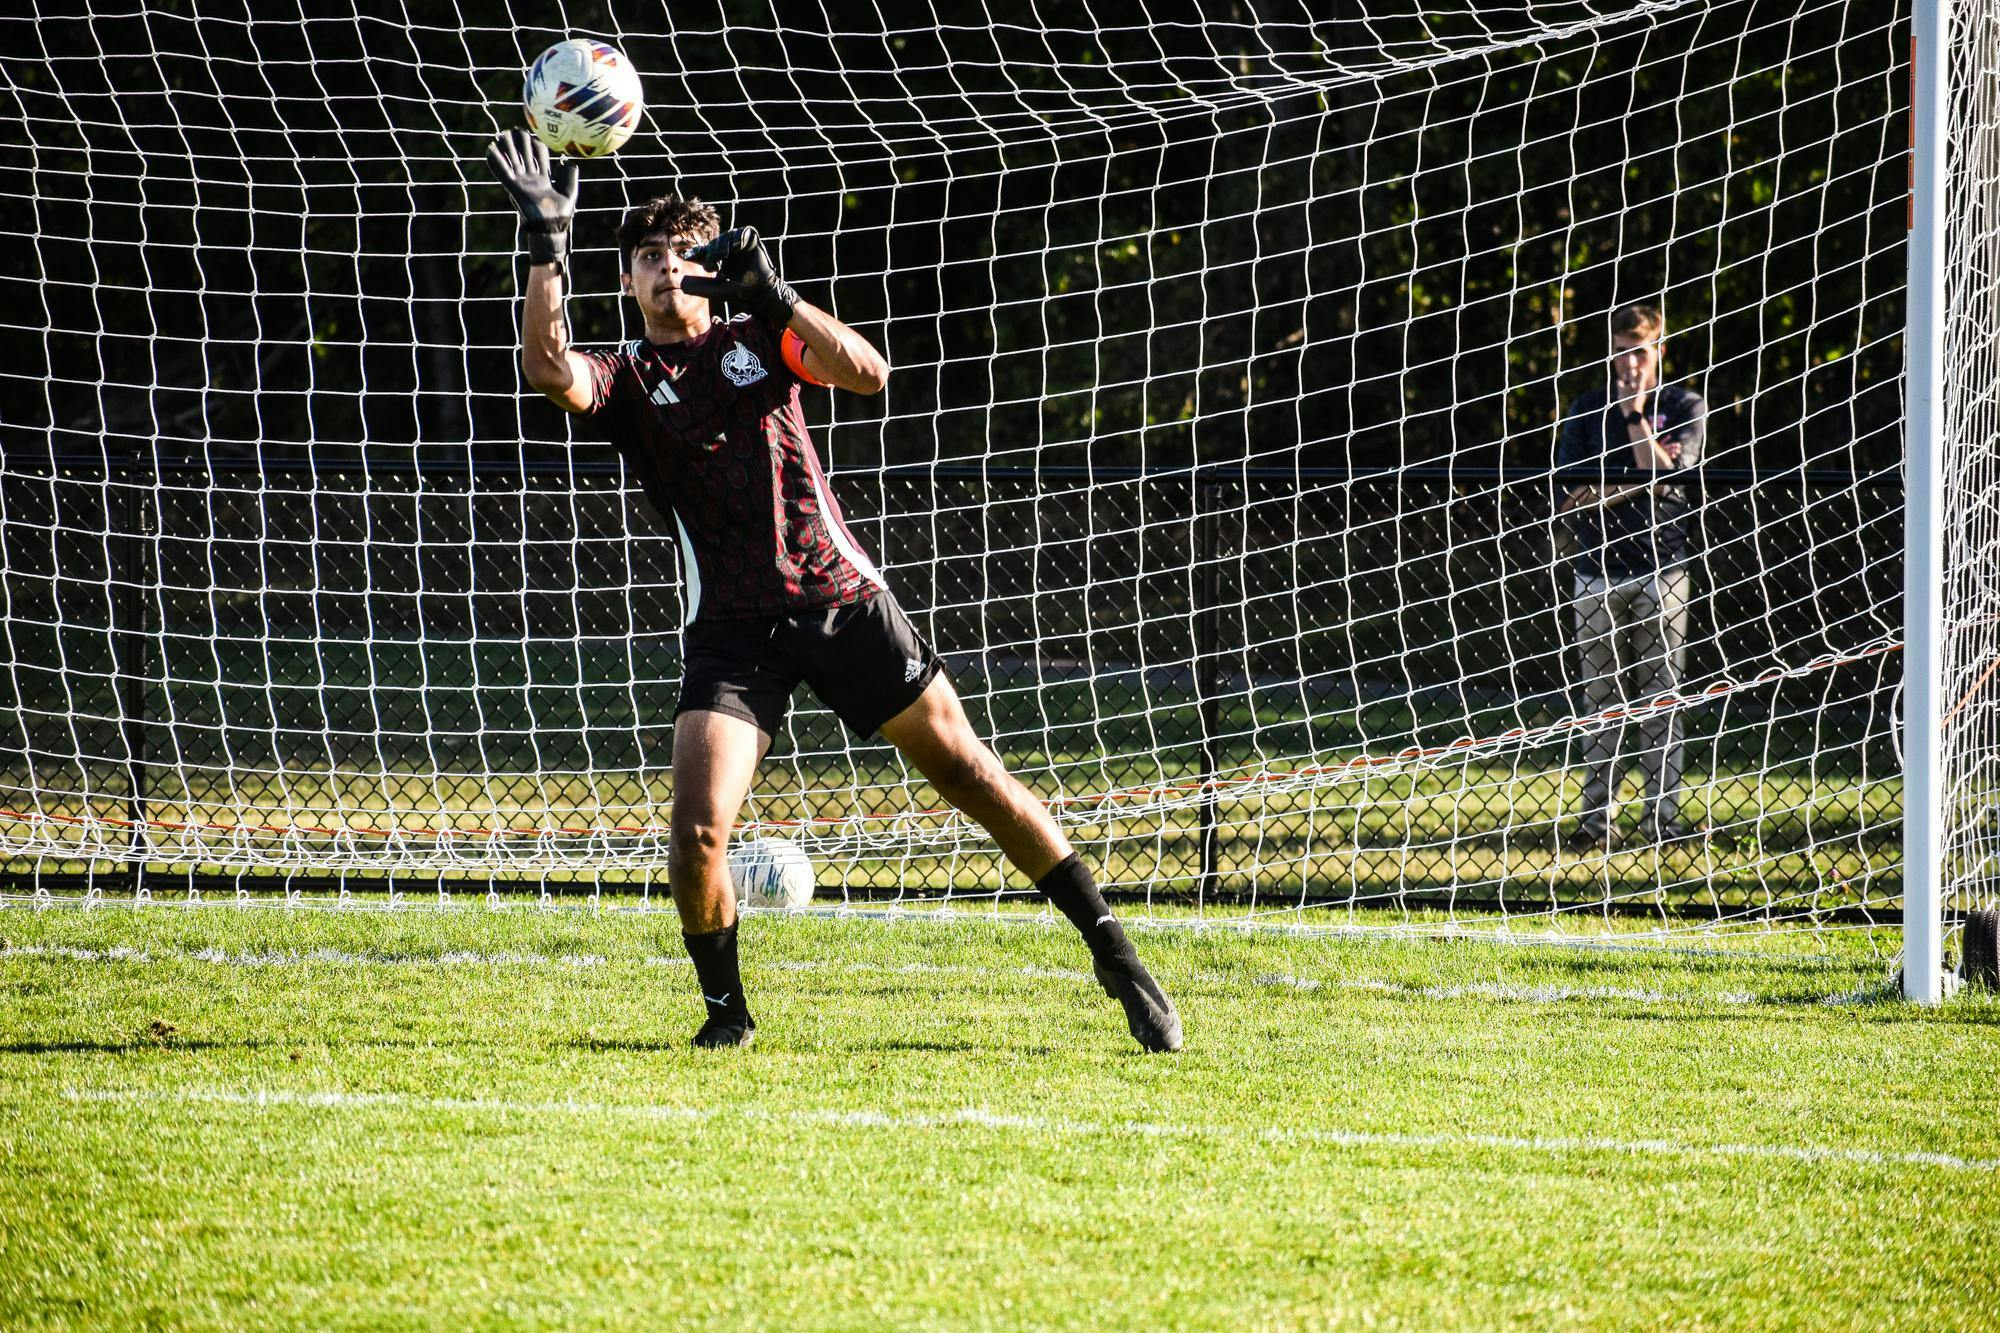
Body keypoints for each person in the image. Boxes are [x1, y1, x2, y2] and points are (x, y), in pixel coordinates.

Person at [484, 129, 1181, 1051]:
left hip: (838, 597)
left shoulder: (761, 337)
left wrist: (777, 295)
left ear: (712, 265)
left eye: (684, 254)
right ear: (625, 281)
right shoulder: (627, 378)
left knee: (972, 775)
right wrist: (545, 245)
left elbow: (869, 373)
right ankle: (727, 1015)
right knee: (696, 833)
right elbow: (547, 370)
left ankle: (1116, 956)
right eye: (648, 259)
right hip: (733, 629)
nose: (666, 270)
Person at [1556, 302, 1706, 851]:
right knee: (1602, 703)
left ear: (1659, 351)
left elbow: (1671, 483)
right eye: (1619, 351)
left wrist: (1636, 416)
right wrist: (1642, 477)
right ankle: (1596, 823)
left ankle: (1660, 822)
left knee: (1662, 702)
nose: (1628, 363)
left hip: (1661, 570)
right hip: (1596, 572)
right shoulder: (1585, 407)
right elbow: (1571, 499)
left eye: (1639, 351)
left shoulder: (1682, 405)